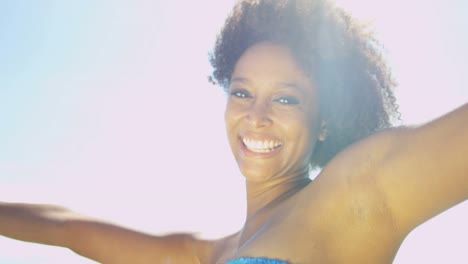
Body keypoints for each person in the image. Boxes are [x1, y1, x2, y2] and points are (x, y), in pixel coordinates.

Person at [1, 0, 467, 263]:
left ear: (325, 120)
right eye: (242, 92)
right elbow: (64, 228)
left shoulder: (354, 194)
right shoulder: (208, 252)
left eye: (286, 98)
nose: (256, 116)